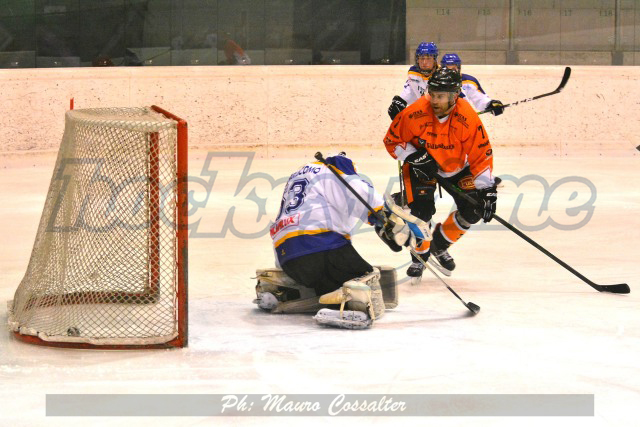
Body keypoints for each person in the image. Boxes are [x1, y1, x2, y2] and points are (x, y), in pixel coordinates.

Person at [255, 153, 427, 329]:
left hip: (286, 256)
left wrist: (378, 221)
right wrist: (386, 215)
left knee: (326, 280)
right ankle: (353, 305)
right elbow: (357, 190)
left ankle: (285, 288)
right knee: (366, 277)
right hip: (320, 245)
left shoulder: (300, 175)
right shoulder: (335, 165)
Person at [383, 67, 498, 279]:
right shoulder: (414, 113)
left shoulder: (467, 118)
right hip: (421, 165)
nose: (435, 100)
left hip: (457, 167)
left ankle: (437, 244)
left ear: (454, 96)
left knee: (474, 210)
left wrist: (488, 190)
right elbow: (392, 140)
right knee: (422, 213)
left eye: (441, 96)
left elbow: (481, 154)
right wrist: (414, 156)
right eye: (432, 94)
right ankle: (420, 254)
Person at [387, 41, 439, 120]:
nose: (424, 62)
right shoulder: (413, 74)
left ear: (435, 60)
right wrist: (399, 106)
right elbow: (407, 95)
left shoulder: (443, 76)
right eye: (421, 58)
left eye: (428, 58)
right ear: (417, 60)